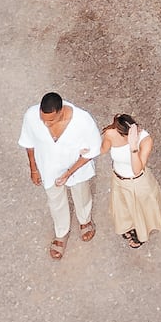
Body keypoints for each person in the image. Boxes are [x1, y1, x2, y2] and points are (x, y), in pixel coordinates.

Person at [19, 92, 100, 260]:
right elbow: (29, 143)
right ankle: (61, 232)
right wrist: (33, 168)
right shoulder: (31, 116)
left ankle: (85, 220)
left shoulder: (83, 120)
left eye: (51, 120)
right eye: (43, 120)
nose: (46, 124)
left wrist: (68, 173)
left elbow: (93, 150)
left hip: (77, 169)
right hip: (48, 168)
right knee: (55, 201)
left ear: (61, 112)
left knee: (81, 193)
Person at [101, 114, 161, 248]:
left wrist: (133, 147)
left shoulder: (145, 140)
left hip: (137, 182)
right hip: (118, 179)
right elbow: (103, 150)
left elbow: (137, 169)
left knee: (140, 211)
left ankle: (140, 234)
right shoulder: (111, 133)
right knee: (123, 208)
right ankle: (129, 227)